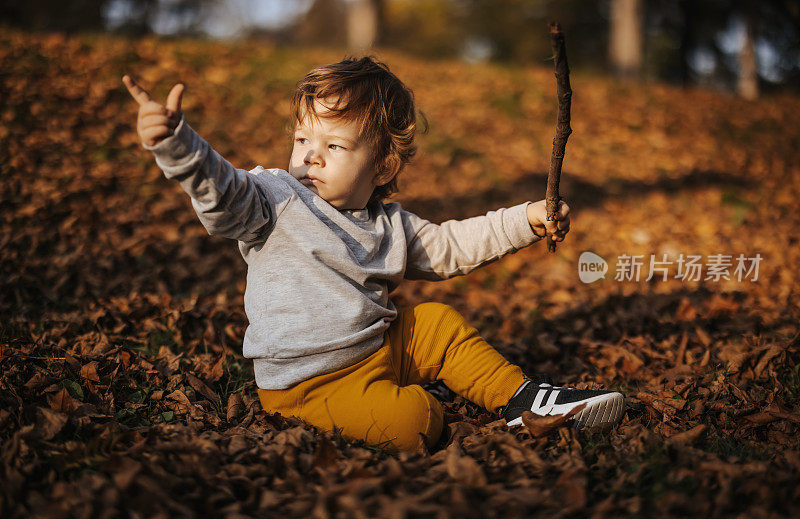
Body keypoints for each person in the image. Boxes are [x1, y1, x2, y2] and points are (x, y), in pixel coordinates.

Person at [123, 56, 624, 453]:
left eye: (334, 145)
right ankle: (410, 412)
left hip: (378, 351)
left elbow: (453, 246)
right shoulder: (274, 198)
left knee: (437, 326)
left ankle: (524, 400)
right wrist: (180, 148)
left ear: (382, 166)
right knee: (420, 421)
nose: (310, 155)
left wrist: (528, 218)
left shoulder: (390, 225)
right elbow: (224, 194)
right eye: (302, 138)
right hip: (309, 386)